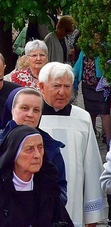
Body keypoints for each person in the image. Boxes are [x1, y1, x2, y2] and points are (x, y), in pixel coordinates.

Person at [0, 86, 67, 204]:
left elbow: (60, 187)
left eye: (36, 110)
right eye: (24, 108)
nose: (30, 114)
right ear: (12, 109)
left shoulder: (50, 146)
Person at [38, 61, 106, 226]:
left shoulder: (82, 118)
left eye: (67, 86)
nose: (62, 92)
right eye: (56, 86)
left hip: (73, 202)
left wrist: (92, 214)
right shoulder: (33, 117)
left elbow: (91, 166)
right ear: (42, 86)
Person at [0, 125, 71, 226]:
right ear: (13, 153)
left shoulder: (47, 187)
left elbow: (63, 222)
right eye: (29, 149)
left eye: (40, 148)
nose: (37, 155)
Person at [72, 38, 111, 145]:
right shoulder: (86, 48)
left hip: (101, 85)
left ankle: (109, 142)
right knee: (90, 112)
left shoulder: (106, 48)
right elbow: (78, 65)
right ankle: (91, 139)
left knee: (104, 112)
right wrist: (71, 76)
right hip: (87, 85)